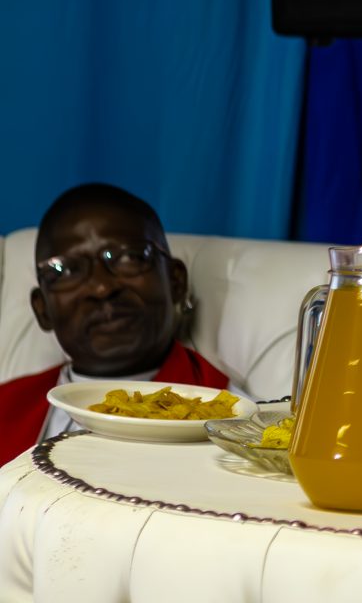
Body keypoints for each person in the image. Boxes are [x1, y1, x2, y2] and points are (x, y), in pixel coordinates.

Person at [0, 183, 229, 461]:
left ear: (176, 281)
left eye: (127, 258)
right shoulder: (6, 405)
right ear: (42, 309)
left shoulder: (231, 420)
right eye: (67, 270)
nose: (101, 288)